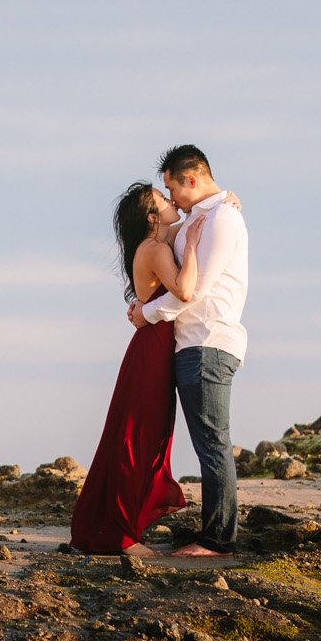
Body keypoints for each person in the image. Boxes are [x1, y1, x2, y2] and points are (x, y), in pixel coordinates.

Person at [68, 181, 219, 556]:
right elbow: (185, 291)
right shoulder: (153, 249)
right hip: (152, 351)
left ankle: (125, 526)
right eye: (163, 199)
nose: (172, 201)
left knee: (146, 440)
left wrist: (224, 201)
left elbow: (185, 224)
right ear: (152, 218)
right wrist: (197, 247)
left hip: (156, 348)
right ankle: (121, 535)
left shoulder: (158, 243)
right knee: (135, 442)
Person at [130, 144, 249, 559]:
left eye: (170, 188)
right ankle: (215, 534)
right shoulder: (204, 216)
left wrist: (146, 312)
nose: (170, 198)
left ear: (191, 180)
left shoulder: (221, 219)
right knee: (207, 443)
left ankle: (218, 541)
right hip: (192, 345)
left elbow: (192, 293)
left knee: (213, 443)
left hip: (207, 343)